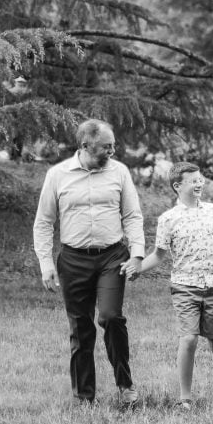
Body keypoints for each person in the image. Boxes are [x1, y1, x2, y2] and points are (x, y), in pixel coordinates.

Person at [32, 119, 144, 406]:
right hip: (73, 260)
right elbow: (44, 222)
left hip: (111, 256)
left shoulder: (119, 172)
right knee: (81, 328)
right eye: (107, 147)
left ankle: (125, 384)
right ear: (85, 146)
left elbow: (132, 215)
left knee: (110, 317)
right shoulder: (58, 175)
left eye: (113, 145)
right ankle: (84, 396)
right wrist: (46, 263)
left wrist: (137, 253)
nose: (113, 150)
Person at [139, 162, 213, 409]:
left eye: (200, 179)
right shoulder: (168, 219)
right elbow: (158, 255)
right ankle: (185, 397)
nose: (199, 183)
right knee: (189, 338)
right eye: (193, 180)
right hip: (185, 287)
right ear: (177, 186)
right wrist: (136, 268)